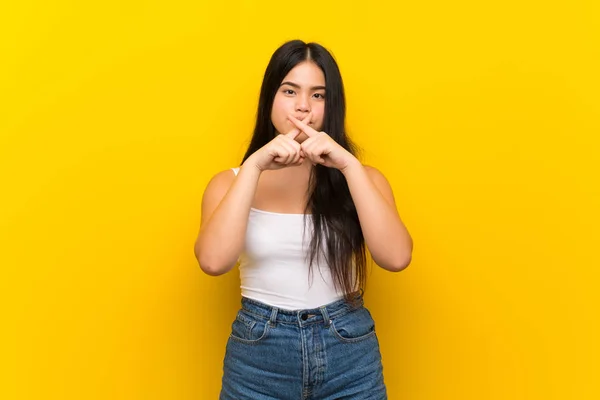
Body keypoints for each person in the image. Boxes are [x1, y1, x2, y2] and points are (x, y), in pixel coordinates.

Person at [194, 39, 413, 400]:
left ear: (332, 105)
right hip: (259, 356)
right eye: (290, 90)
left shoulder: (363, 178)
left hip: (348, 351)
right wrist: (254, 166)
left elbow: (397, 258)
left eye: (318, 95)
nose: (302, 107)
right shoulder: (229, 183)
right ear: (270, 98)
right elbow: (214, 262)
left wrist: (348, 165)